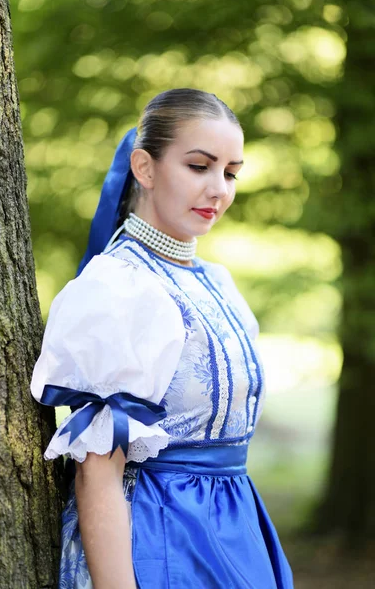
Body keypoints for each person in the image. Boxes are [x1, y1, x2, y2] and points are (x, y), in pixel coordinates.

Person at [30, 88, 294, 589]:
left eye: (231, 172)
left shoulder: (218, 282)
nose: (219, 189)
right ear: (145, 169)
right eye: (199, 166)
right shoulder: (117, 287)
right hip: (157, 538)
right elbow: (97, 470)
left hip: (236, 531)